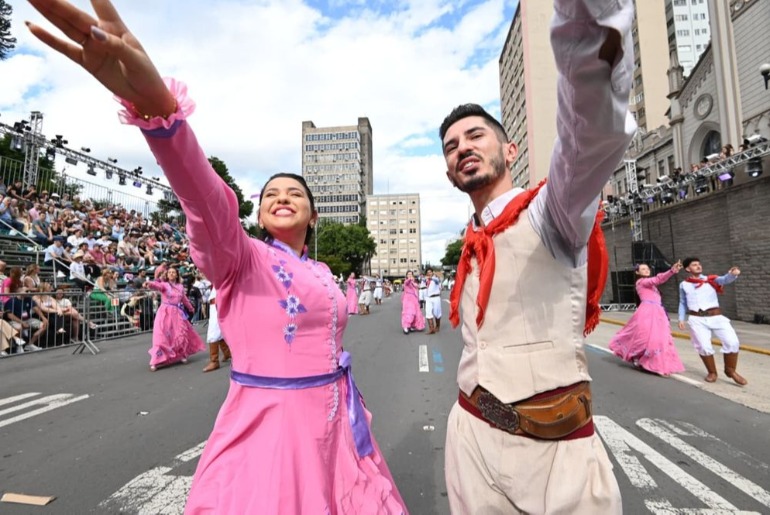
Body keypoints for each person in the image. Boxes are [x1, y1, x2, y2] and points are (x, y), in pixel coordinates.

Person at [25, 4, 406, 511]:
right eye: (271, 192)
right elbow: (205, 200)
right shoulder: (240, 257)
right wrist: (162, 117)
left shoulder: (321, 272)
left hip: (338, 422)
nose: (280, 196)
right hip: (271, 429)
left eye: (294, 191)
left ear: (314, 215)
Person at [439, 1, 635, 512]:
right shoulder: (471, 242)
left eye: (476, 135)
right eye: (451, 146)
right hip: (470, 441)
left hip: (553, 458)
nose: (462, 147)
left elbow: (590, 130)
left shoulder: (554, 212)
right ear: (449, 174)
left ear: (511, 151)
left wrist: (587, 14)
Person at [677, 257, 747, 385]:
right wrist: (681, 318)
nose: (698, 266)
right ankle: (712, 372)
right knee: (703, 346)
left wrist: (732, 274)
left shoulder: (711, 279)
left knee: (732, 342)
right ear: (688, 269)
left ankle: (730, 370)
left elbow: (725, 279)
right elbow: (682, 302)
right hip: (696, 319)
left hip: (716, 317)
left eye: (699, 264)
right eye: (694, 265)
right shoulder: (684, 284)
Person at [609, 261, 686, 376]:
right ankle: (642, 359)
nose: (646, 270)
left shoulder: (651, 286)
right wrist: (671, 271)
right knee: (646, 338)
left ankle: (655, 363)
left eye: (647, 269)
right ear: (637, 272)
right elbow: (658, 279)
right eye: (643, 269)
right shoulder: (641, 282)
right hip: (647, 312)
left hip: (658, 312)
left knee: (662, 338)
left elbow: (656, 281)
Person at [143, 267, 204, 371]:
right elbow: (157, 285)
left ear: (176, 275)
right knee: (161, 336)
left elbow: (184, 299)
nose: (171, 274)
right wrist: (149, 283)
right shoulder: (164, 285)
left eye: (173, 272)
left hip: (177, 314)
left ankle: (182, 354)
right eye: (169, 272)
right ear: (167, 275)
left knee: (179, 335)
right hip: (164, 313)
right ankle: (156, 360)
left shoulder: (180, 287)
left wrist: (190, 308)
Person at [202, 286, 231, 373]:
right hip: (214, 305)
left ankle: (214, 361)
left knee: (213, 333)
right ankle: (227, 353)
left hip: (218, 303)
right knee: (218, 331)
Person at [424, 268, 442, 334]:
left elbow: (437, 280)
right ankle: (431, 329)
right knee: (428, 312)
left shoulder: (435, 279)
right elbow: (421, 279)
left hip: (436, 297)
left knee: (437, 313)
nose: (429, 273)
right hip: (428, 298)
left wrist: (431, 277)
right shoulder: (426, 280)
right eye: (428, 272)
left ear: (432, 273)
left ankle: (437, 326)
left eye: (430, 272)